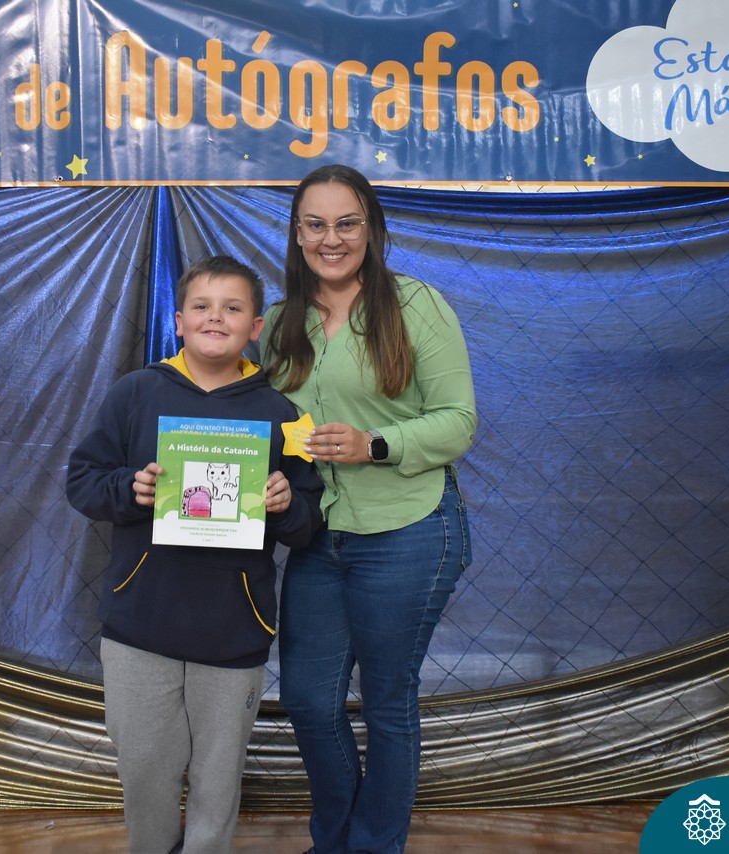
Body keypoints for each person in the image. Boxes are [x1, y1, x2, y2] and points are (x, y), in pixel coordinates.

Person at [66, 255, 324, 854]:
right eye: (202, 307)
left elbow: (309, 521)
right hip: (139, 624)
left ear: (255, 327)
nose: (216, 318)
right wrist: (129, 489)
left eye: (233, 308)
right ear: (179, 320)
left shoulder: (284, 414)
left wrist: (287, 503)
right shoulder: (135, 393)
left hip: (233, 630)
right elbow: (82, 481)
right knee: (145, 770)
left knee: (217, 776)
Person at [261, 164, 476, 854]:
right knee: (308, 700)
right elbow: (249, 421)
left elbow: (459, 421)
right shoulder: (278, 323)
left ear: (372, 229)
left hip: (409, 530)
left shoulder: (417, 306)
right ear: (298, 235)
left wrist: (374, 443)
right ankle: (336, 842)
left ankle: (374, 846)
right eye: (316, 225)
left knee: (387, 701)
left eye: (347, 223)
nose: (332, 239)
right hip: (318, 538)